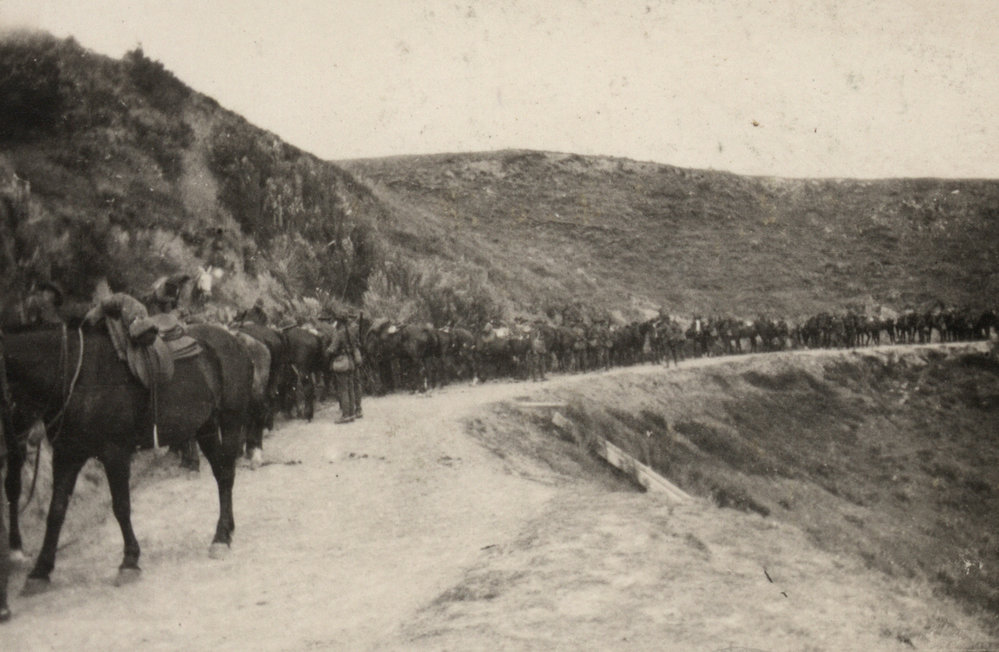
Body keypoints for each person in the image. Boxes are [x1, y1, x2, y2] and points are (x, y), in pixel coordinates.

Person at [327, 313, 358, 424]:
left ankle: (345, 415)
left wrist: (327, 350)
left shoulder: (339, 333)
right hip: (351, 361)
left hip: (342, 361)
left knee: (343, 389)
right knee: (350, 388)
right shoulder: (351, 331)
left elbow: (332, 349)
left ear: (338, 321)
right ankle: (352, 413)